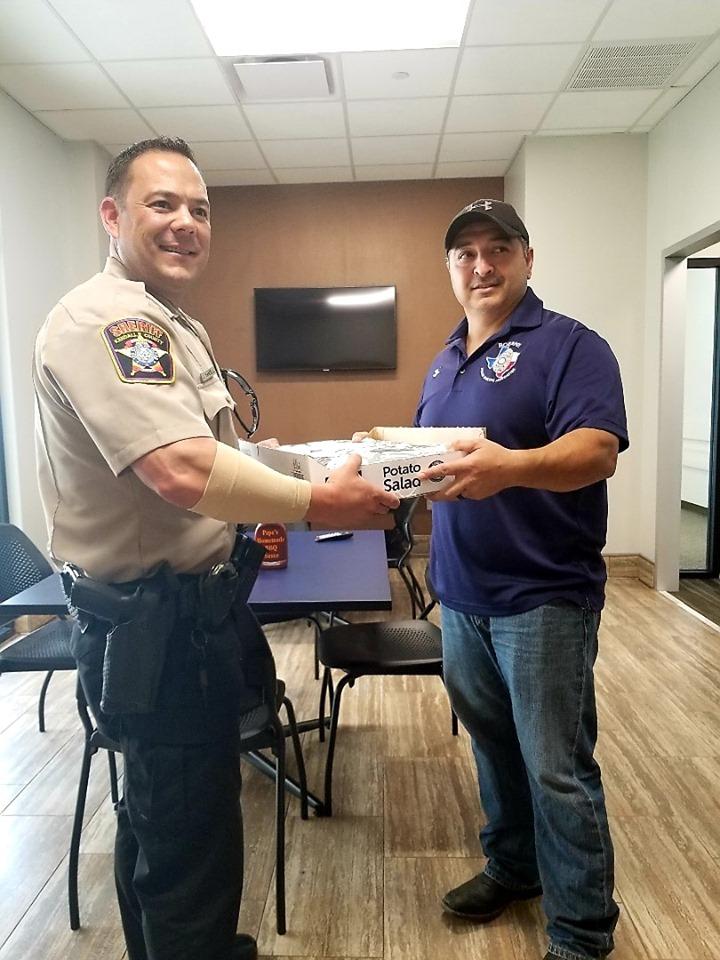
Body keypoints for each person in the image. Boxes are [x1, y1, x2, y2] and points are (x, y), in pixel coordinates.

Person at [33, 136, 399, 960]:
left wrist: (300, 469)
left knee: (167, 826)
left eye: (199, 209)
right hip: (152, 630)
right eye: (161, 204)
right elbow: (178, 468)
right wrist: (317, 501)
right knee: (187, 838)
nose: (186, 223)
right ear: (112, 215)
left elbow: (217, 451)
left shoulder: (172, 323)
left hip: (186, 618)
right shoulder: (110, 319)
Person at [415, 199, 627, 960]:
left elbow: (597, 451)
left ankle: (580, 932)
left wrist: (509, 469)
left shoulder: (571, 345)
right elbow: (432, 462)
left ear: (527, 259)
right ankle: (514, 868)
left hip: (543, 599)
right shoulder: (445, 359)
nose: (482, 265)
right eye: (465, 253)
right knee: (494, 748)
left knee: (556, 768)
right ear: (450, 269)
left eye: (498, 247)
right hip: (463, 593)